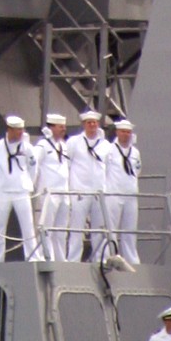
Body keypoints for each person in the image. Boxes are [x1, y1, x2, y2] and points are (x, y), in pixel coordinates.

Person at [0, 116, 40, 262]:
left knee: (28, 227)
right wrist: (1, 185)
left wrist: (27, 184)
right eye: (18, 130)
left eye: (22, 129)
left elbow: (33, 169)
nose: (21, 132)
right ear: (9, 129)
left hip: (21, 191)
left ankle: (32, 257)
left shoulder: (27, 148)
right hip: (4, 191)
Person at [65, 110, 110, 262]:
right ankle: (73, 259)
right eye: (89, 122)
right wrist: (71, 188)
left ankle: (101, 259)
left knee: (99, 229)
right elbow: (67, 164)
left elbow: (109, 168)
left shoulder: (105, 145)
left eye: (95, 123)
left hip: (99, 192)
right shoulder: (73, 142)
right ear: (84, 124)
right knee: (76, 228)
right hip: (80, 190)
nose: (92, 125)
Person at [102, 118, 142, 267]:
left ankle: (131, 258)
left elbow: (138, 170)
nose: (126, 135)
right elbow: (103, 170)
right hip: (114, 193)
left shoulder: (135, 152)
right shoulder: (109, 150)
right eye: (123, 132)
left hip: (130, 194)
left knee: (130, 230)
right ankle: (109, 256)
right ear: (118, 132)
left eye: (128, 132)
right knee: (111, 228)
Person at [35, 113, 72, 261]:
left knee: (61, 230)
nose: (63, 129)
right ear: (51, 128)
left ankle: (60, 258)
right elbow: (34, 166)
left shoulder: (63, 146)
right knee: (47, 228)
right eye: (60, 126)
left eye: (64, 126)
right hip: (49, 192)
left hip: (63, 192)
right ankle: (46, 256)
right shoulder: (42, 146)